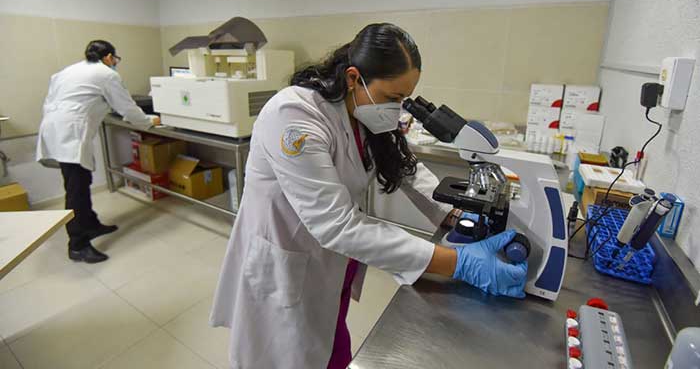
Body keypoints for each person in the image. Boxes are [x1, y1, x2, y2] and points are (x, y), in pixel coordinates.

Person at [210, 24, 527, 369]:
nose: (399, 107)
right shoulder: (294, 116)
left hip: (332, 267)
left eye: (404, 98)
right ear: (353, 77)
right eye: (393, 98)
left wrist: (453, 212)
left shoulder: (360, 110)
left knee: (330, 348)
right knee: (285, 356)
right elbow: (337, 226)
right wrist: (457, 262)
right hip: (286, 266)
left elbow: (403, 166)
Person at [37, 40, 158, 263]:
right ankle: (77, 245)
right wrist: (149, 121)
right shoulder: (107, 74)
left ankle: (91, 225)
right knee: (76, 190)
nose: (115, 64)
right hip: (70, 133)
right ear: (109, 57)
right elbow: (126, 107)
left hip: (55, 128)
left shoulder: (67, 71)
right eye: (115, 60)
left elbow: (53, 101)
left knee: (80, 180)